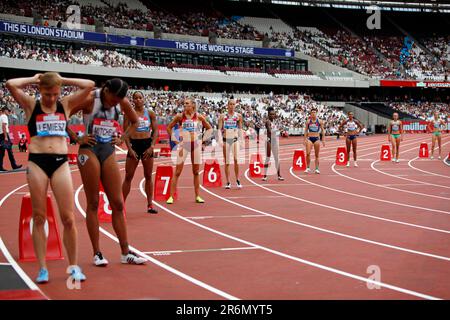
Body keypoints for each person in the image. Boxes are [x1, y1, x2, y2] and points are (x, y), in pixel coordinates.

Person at [6, 72, 92, 283]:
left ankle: (73, 267)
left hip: (60, 162)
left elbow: (89, 85)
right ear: (40, 91)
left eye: (54, 94)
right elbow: (10, 84)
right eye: (47, 94)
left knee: (69, 218)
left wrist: (63, 79)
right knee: (39, 217)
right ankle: (42, 268)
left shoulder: (65, 104)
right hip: (37, 162)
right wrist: (34, 79)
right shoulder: (30, 105)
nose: (51, 98)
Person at [68, 78, 146, 266]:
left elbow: (134, 122)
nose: (114, 104)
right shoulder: (89, 99)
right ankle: (97, 253)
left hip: (108, 150)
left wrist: (122, 138)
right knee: (93, 201)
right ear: (106, 90)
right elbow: (62, 115)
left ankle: (125, 252)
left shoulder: (122, 102)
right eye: (112, 100)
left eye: (118, 101)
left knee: (118, 203)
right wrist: (78, 138)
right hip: (89, 150)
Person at [166, 97, 212, 204]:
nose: (185, 105)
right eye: (184, 103)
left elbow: (209, 128)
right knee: (177, 172)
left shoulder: (199, 117)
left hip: (195, 145)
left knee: (196, 172)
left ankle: (197, 196)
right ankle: (171, 196)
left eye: (187, 103)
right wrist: (176, 140)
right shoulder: (179, 116)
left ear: (192, 105)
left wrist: (203, 140)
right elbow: (169, 128)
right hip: (184, 145)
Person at [122, 91, 158, 213]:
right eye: (135, 98)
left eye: (140, 98)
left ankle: (150, 205)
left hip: (146, 145)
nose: (138, 100)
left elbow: (156, 131)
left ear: (143, 99)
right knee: (128, 176)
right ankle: (121, 205)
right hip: (134, 145)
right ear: (132, 100)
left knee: (148, 176)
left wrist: (152, 146)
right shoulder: (128, 113)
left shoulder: (150, 113)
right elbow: (125, 133)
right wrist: (129, 149)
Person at [218, 99, 243, 189]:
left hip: (235, 140)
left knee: (236, 160)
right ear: (227, 105)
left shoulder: (238, 116)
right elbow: (218, 129)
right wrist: (220, 140)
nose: (232, 106)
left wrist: (242, 141)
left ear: (235, 105)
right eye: (230, 104)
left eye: (233, 104)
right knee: (227, 162)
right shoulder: (222, 116)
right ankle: (228, 182)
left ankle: (237, 179)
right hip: (226, 140)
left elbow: (240, 129)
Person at [262, 107, 284, 181]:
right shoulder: (267, 122)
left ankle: (279, 175)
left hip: (275, 140)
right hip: (268, 141)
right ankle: (264, 175)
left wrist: (281, 132)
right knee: (268, 157)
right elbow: (270, 131)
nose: (272, 115)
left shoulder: (275, 122)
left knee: (276, 158)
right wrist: (279, 130)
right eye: (271, 114)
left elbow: (276, 131)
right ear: (268, 115)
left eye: (273, 114)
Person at [0, 107, 23, 171]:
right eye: (8, 111)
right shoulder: (4, 116)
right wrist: (6, 136)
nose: (8, 112)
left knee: (2, 152)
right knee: (9, 151)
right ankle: (14, 165)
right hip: (4, 135)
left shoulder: (0, 117)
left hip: (1, 135)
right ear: (5, 110)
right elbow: (4, 126)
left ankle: (1, 166)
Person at [304, 108, 325, 174]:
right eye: (312, 112)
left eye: (314, 112)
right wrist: (304, 139)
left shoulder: (320, 121)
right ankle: (308, 168)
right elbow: (305, 130)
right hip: (310, 138)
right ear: (310, 113)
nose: (313, 113)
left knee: (317, 155)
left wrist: (323, 139)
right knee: (307, 153)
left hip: (316, 138)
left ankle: (316, 168)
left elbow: (323, 130)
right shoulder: (308, 121)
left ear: (316, 113)